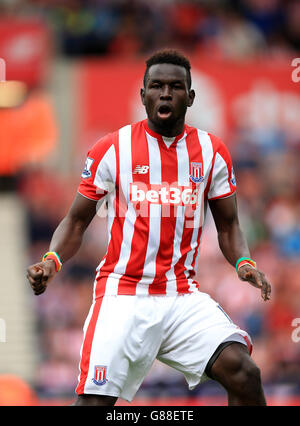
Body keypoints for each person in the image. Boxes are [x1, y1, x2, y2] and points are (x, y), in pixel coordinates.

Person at [26, 49, 271, 406]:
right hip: (124, 295)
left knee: (245, 373)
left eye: (176, 86)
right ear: (143, 96)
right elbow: (77, 220)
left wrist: (244, 263)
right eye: (156, 86)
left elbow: (229, 226)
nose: (166, 93)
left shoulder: (212, 151)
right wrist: (52, 260)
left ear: (191, 96)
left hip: (181, 296)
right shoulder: (112, 148)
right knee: (94, 403)